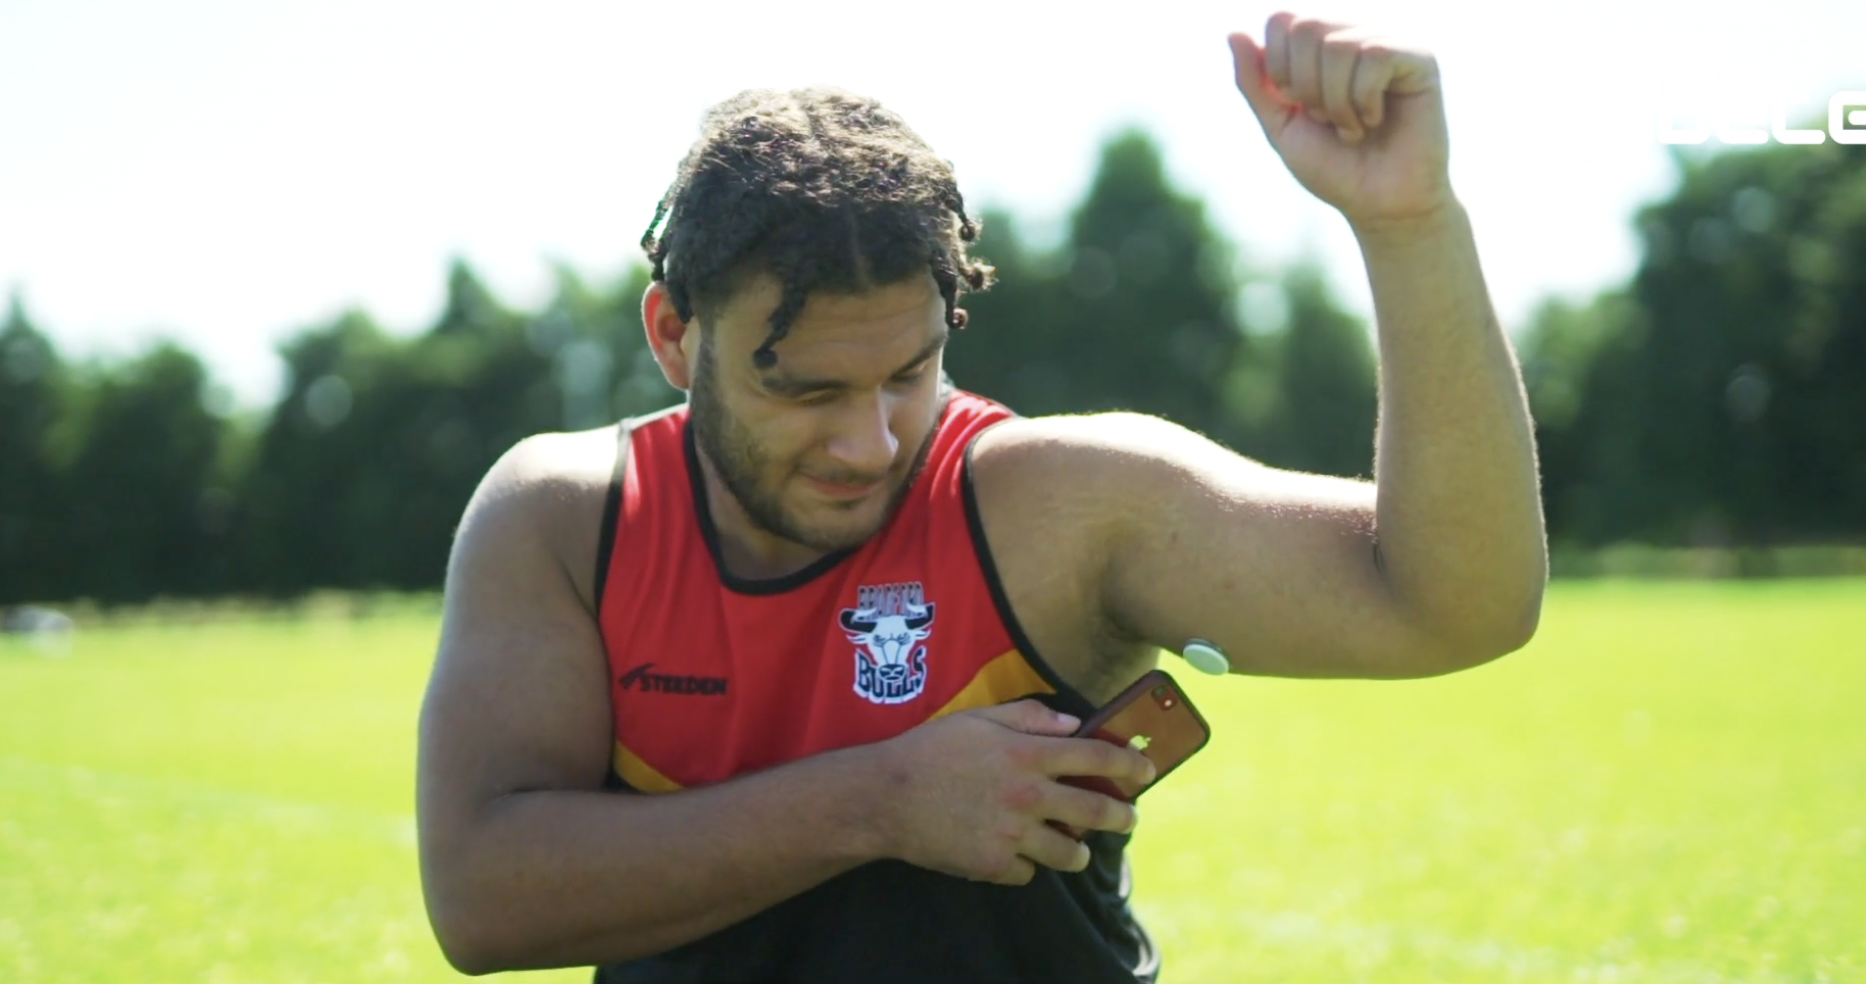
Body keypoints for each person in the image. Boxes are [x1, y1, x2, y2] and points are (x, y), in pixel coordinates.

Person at [415, 12, 1548, 982]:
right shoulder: (566, 521)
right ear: (673, 334)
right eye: (807, 389)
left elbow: (1454, 606)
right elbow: (479, 898)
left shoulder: (1056, 504)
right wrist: (884, 800)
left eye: (910, 371)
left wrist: (1410, 226)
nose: (870, 441)